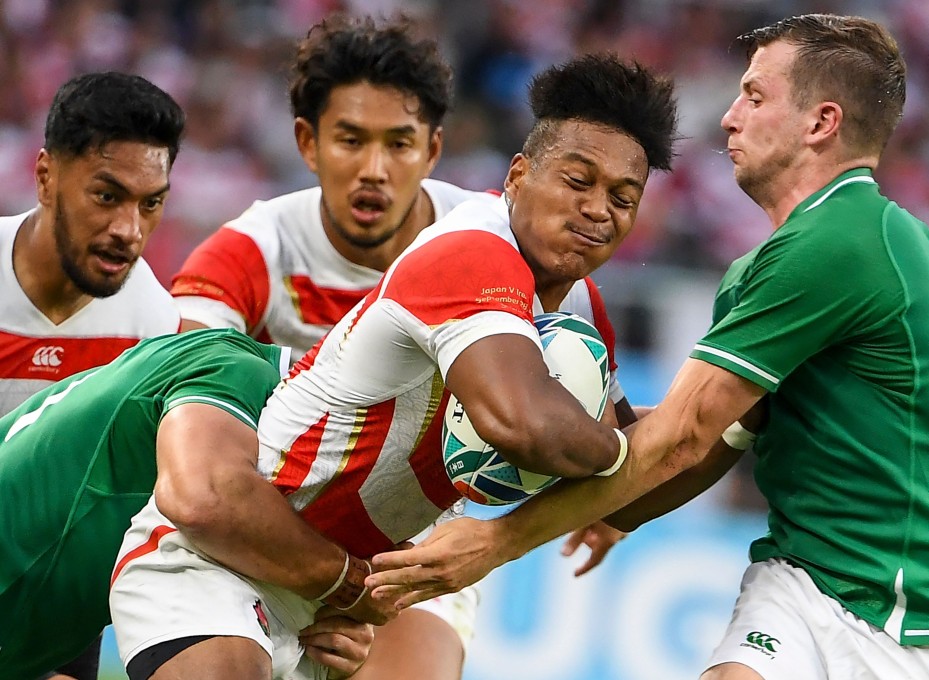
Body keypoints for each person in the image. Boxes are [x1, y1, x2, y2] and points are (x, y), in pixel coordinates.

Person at [365, 14, 929, 680]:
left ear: (821, 123)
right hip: (804, 574)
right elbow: (703, 446)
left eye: (756, 96)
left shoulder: (845, 241)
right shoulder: (766, 268)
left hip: (920, 613)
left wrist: (496, 542)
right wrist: (616, 505)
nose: (729, 118)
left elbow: (679, 438)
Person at [107, 52, 679, 680]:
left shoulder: (578, 303)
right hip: (231, 550)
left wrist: (736, 415)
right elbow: (529, 425)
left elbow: (629, 450)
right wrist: (628, 461)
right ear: (517, 176)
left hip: (362, 584)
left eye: (623, 198)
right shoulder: (465, 251)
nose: (599, 210)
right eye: (577, 181)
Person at [0, 329, 375, 680]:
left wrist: (322, 629)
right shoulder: (235, 372)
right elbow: (202, 503)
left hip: (46, 627)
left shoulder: (229, 373)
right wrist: (348, 585)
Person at [0, 71, 184, 680]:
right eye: (107, 196)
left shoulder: (150, 323)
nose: (129, 230)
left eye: (150, 203)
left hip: (57, 605)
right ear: (47, 176)